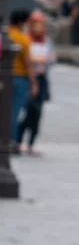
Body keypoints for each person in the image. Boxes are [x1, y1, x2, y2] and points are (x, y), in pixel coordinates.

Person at [18, 11, 53, 155]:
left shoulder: (46, 40)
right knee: (28, 111)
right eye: (35, 24)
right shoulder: (26, 39)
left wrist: (43, 60)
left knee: (38, 113)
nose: (38, 28)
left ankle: (31, 144)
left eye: (41, 24)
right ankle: (18, 141)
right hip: (29, 78)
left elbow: (51, 58)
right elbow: (27, 59)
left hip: (42, 77)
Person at [7, 10, 36, 154]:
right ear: (21, 23)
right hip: (19, 78)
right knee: (13, 111)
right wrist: (34, 83)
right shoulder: (22, 39)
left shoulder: (5, 34)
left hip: (4, 77)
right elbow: (28, 64)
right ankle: (11, 141)